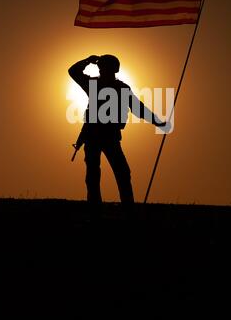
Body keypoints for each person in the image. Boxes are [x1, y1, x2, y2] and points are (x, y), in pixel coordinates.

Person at [68, 55, 167, 210]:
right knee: (100, 174)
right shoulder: (99, 85)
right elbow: (73, 71)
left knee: (119, 173)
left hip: (107, 136)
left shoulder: (111, 87)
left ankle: (124, 207)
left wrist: (157, 122)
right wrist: (158, 122)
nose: (102, 69)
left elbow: (137, 108)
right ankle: (102, 208)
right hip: (96, 136)